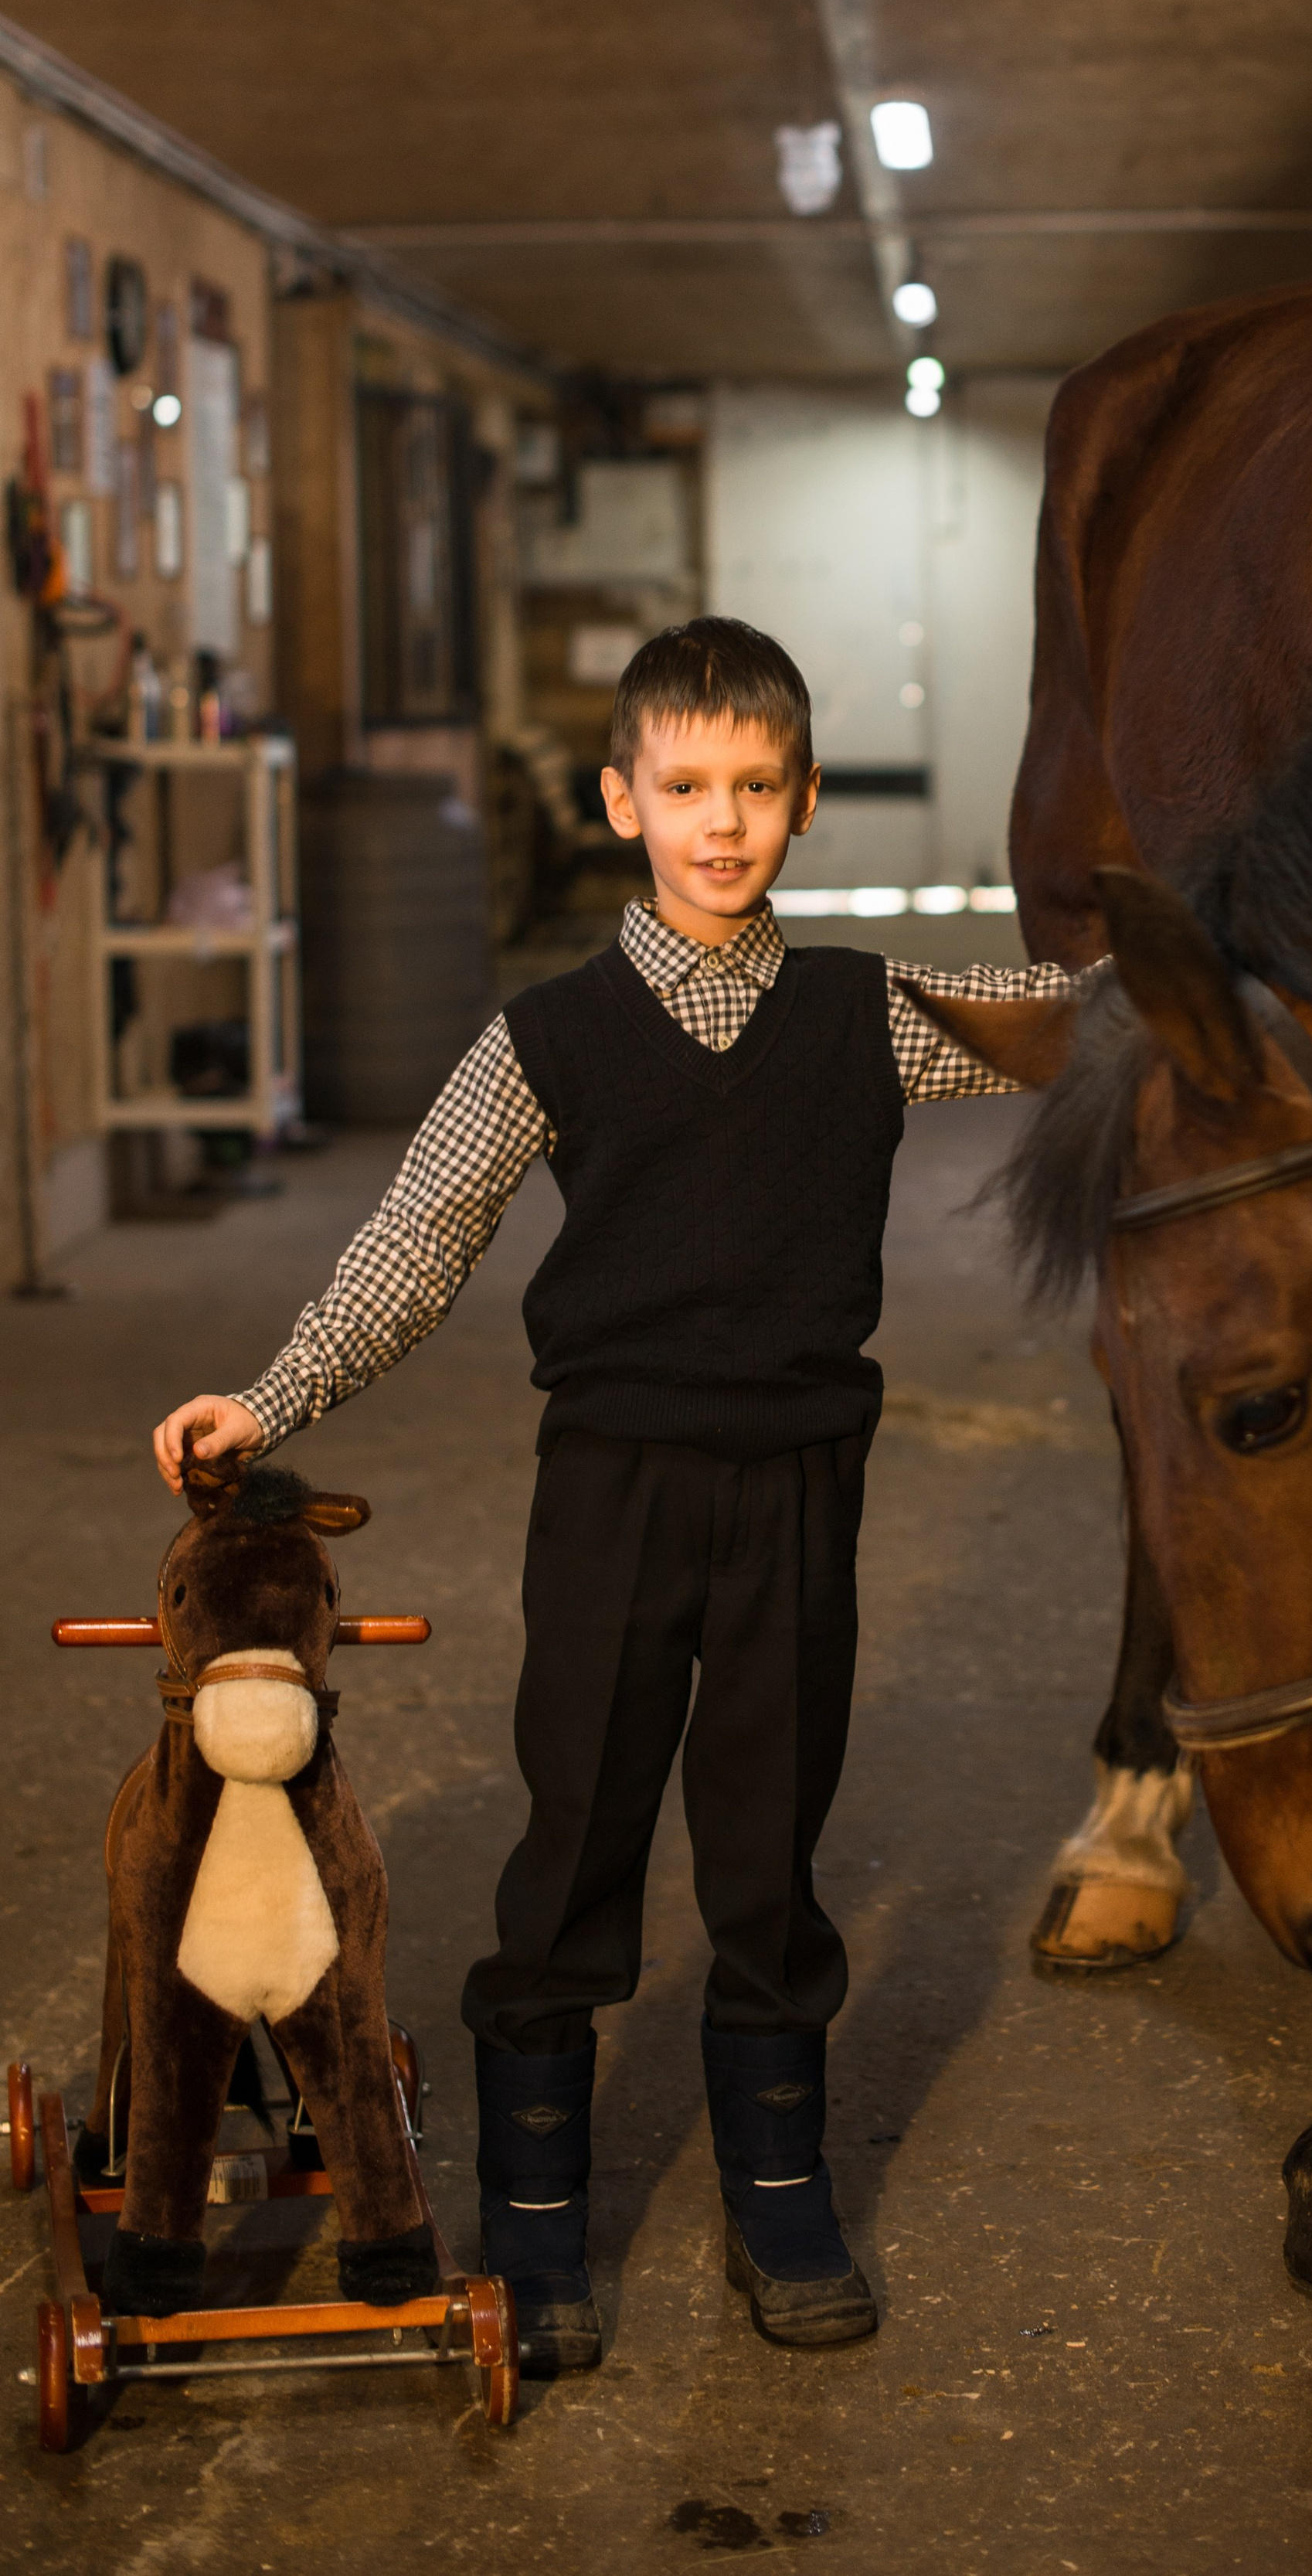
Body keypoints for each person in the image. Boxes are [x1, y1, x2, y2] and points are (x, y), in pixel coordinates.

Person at [153, 618, 1086, 2370]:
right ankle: (534, 2212)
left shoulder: (866, 1012)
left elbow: (1081, 1035)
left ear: (804, 801)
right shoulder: (548, 1040)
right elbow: (417, 1237)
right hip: (613, 1491)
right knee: (574, 1834)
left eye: (752, 787)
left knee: (766, 1839)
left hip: (801, 1488)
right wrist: (270, 1393)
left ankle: (781, 2185)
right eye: (682, 787)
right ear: (619, 801)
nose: (718, 822)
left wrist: (1254, 948)